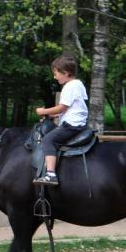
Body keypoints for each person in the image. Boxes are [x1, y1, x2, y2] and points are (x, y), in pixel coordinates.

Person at [33, 56, 88, 186]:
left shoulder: (69, 87)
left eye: (56, 74)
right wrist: (54, 116)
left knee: (48, 140)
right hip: (78, 123)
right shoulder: (79, 84)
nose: (55, 77)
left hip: (71, 126)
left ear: (66, 73)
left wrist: (44, 111)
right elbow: (72, 109)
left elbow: (62, 107)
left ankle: (51, 174)